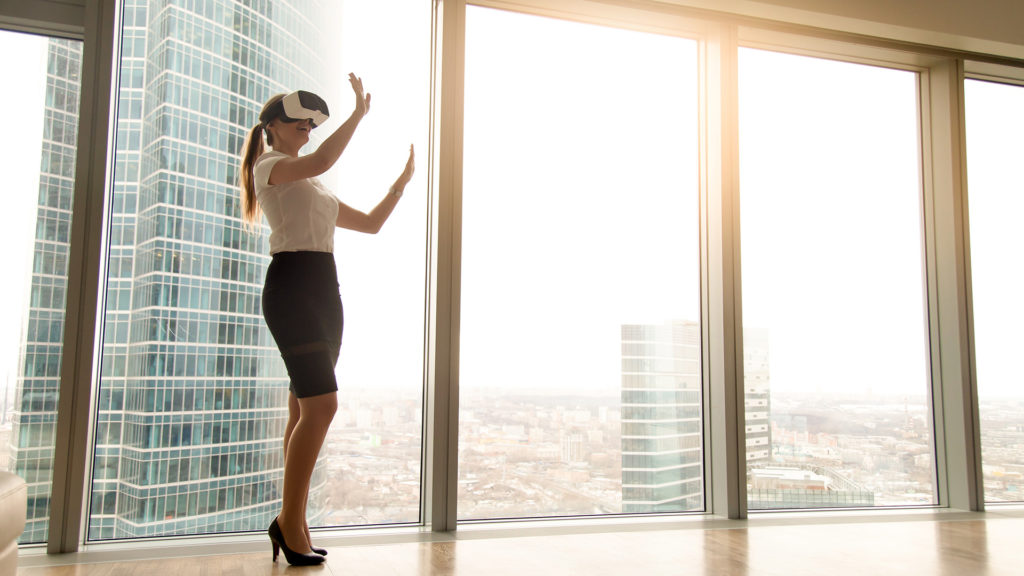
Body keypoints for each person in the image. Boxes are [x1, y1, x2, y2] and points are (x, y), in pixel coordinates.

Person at [237, 73, 414, 566]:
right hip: (292, 288)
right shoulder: (269, 168)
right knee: (323, 407)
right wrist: (357, 114)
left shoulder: (311, 187)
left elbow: (372, 224)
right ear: (273, 127)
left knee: (302, 409)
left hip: (325, 293)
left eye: (310, 127)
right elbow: (322, 158)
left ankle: (290, 520)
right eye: (299, 125)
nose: (306, 133)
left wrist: (399, 185)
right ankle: (290, 523)